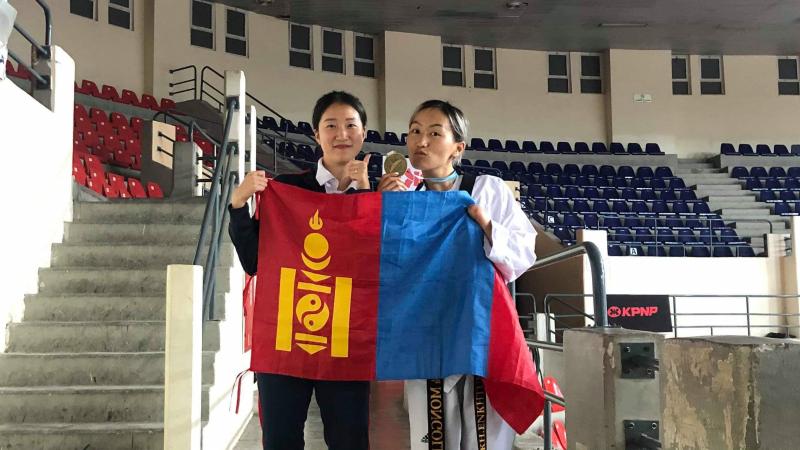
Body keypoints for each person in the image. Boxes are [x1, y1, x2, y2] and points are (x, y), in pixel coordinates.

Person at [378, 99, 537, 450]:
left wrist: (485, 224)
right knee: (432, 432)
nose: (421, 141)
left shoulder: (486, 190)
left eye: (435, 133)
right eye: (415, 131)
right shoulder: (403, 197)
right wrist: (385, 211)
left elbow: (525, 251)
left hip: (481, 324)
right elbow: (385, 269)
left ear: (457, 147)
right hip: (426, 329)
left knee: (484, 431)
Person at [228, 91, 372, 450]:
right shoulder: (288, 190)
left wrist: (367, 197)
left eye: (351, 125)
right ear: (316, 134)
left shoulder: (378, 195)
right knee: (280, 440)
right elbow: (253, 261)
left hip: (346, 340)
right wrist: (238, 204)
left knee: (350, 440)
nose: (342, 133)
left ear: (364, 133)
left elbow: (379, 267)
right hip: (286, 337)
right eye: (331, 125)